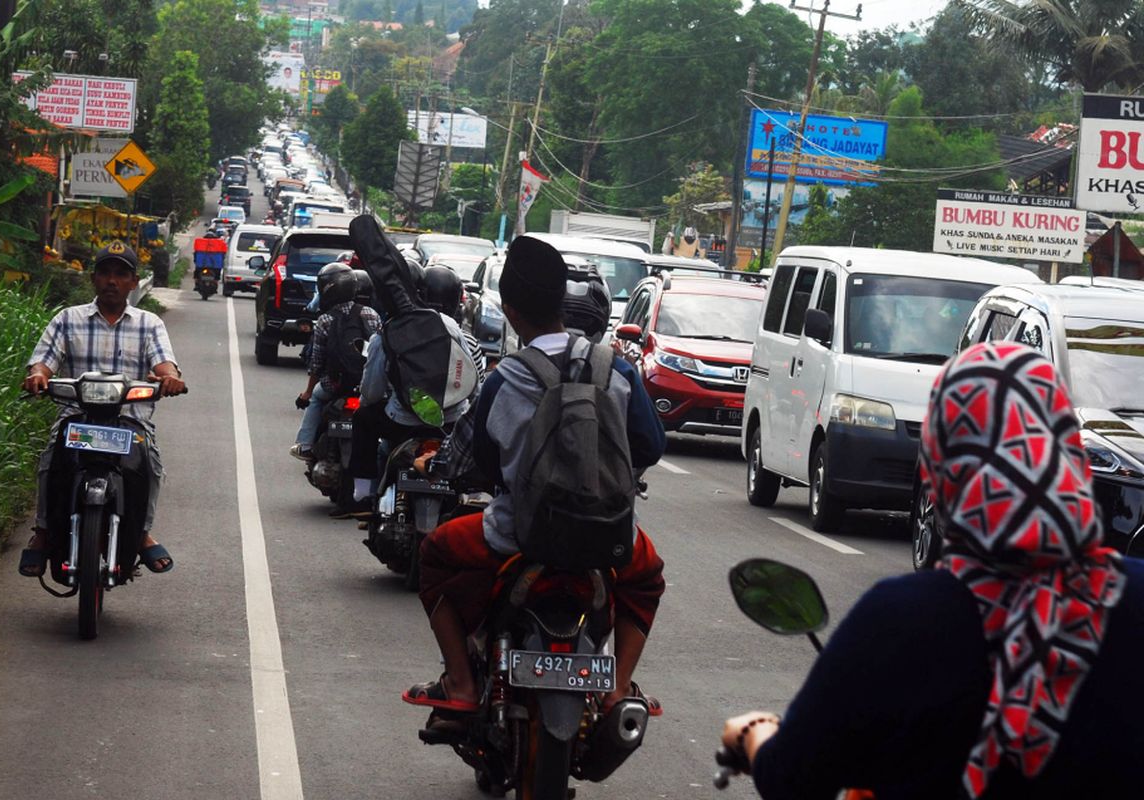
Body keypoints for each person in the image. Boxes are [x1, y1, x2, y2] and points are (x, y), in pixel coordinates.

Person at [720, 341, 1143, 799]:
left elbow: (793, 776)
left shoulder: (901, 620)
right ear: (1068, 454)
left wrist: (753, 731)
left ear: (942, 469)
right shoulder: (1134, 598)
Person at [402, 236, 667, 715]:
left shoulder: (506, 378)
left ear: (510, 310)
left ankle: (460, 683)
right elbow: (651, 445)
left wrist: (442, 467)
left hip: (515, 537)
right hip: (609, 538)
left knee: (435, 555)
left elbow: (469, 462)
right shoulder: (618, 371)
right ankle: (618, 688)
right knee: (647, 578)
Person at [19, 241, 187, 577]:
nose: (112, 280)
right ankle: (42, 531)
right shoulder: (68, 319)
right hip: (77, 418)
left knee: (151, 467)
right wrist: (38, 376)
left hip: (128, 421)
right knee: (51, 460)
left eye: (121, 274)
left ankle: (140, 533)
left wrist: (169, 379)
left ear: (133, 281)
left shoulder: (149, 323)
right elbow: (43, 362)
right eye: (106, 273)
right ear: (94, 279)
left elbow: (165, 363)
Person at [339, 265, 483, 516]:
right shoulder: (450, 325)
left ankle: (362, 494)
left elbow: (371, 393)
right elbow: (472, 381)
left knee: (363, 417)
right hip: (450, 421)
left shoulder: (387, 331)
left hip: (402, 422)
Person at [290, 262, 380, 461]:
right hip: (368, 386)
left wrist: (306, 393)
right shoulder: (371, 314)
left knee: (315, 397)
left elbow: (317, 362)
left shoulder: (325, 320)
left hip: (335, 385)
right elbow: (380, 354)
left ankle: (304, 445)